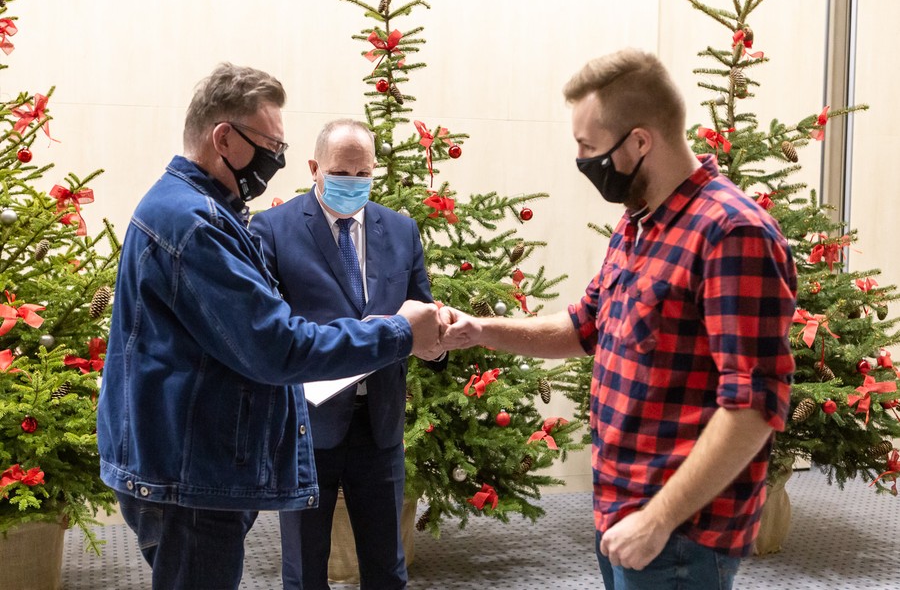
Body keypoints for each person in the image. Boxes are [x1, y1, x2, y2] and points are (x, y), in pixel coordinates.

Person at [441, 48, 797, 589]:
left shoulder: (732, 233)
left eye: (588, 146)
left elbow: (753, 406)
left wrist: (657, 520)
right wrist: (482, 330)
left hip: (680, 530)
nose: (581, 159)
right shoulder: (638, 223)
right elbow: (585, 326)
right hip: (623, 505)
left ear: (639, 142)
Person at [96, 64, 442, 590]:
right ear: (224, 139)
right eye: (270, 146)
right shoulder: (194, 223)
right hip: (190, 472)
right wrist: (397, 332)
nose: (275, 161)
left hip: (198, 463)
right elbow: (277, 345)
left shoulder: (198, 209)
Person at [250, 119, 444, 590]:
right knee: (304, 568)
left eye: (363, 174)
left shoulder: (400, 230)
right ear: (314, 168)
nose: (353, 184)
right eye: (341, 173)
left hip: (380, 424)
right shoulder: (273, 229)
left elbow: (422, 312)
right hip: (307, 424)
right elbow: (269, 330)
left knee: (387, 567)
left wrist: (438, 343)